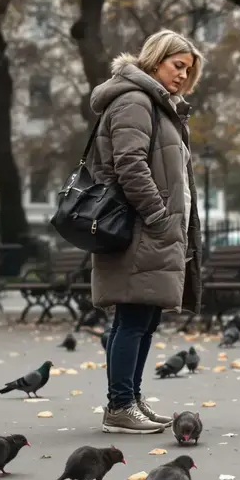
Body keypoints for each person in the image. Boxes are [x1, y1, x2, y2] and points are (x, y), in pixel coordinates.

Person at [87, 29, 205, 434]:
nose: (182, 77)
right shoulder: (135, 101)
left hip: (154, 230)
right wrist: (158, 216)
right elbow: (130, 165)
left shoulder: (159, 105)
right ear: (156, 60)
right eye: (178, 66)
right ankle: (120, 405)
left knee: (144, 318)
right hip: (141, 229)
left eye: (188, 71)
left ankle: (131, 399)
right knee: (133, 318)